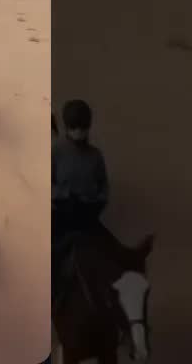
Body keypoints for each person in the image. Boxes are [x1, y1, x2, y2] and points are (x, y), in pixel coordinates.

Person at [52, 99, 115, 306]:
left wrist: (96, 203)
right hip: (62, 213)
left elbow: (104, 186)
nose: (79, 132)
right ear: (67, 127)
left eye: (83, 128)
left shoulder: (95, 155)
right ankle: (53, 299)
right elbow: (45, 183)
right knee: (51, 255)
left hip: (87, 215)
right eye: (75, 128)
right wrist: (63, 195)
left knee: (112, 251)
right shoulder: (56, 151)